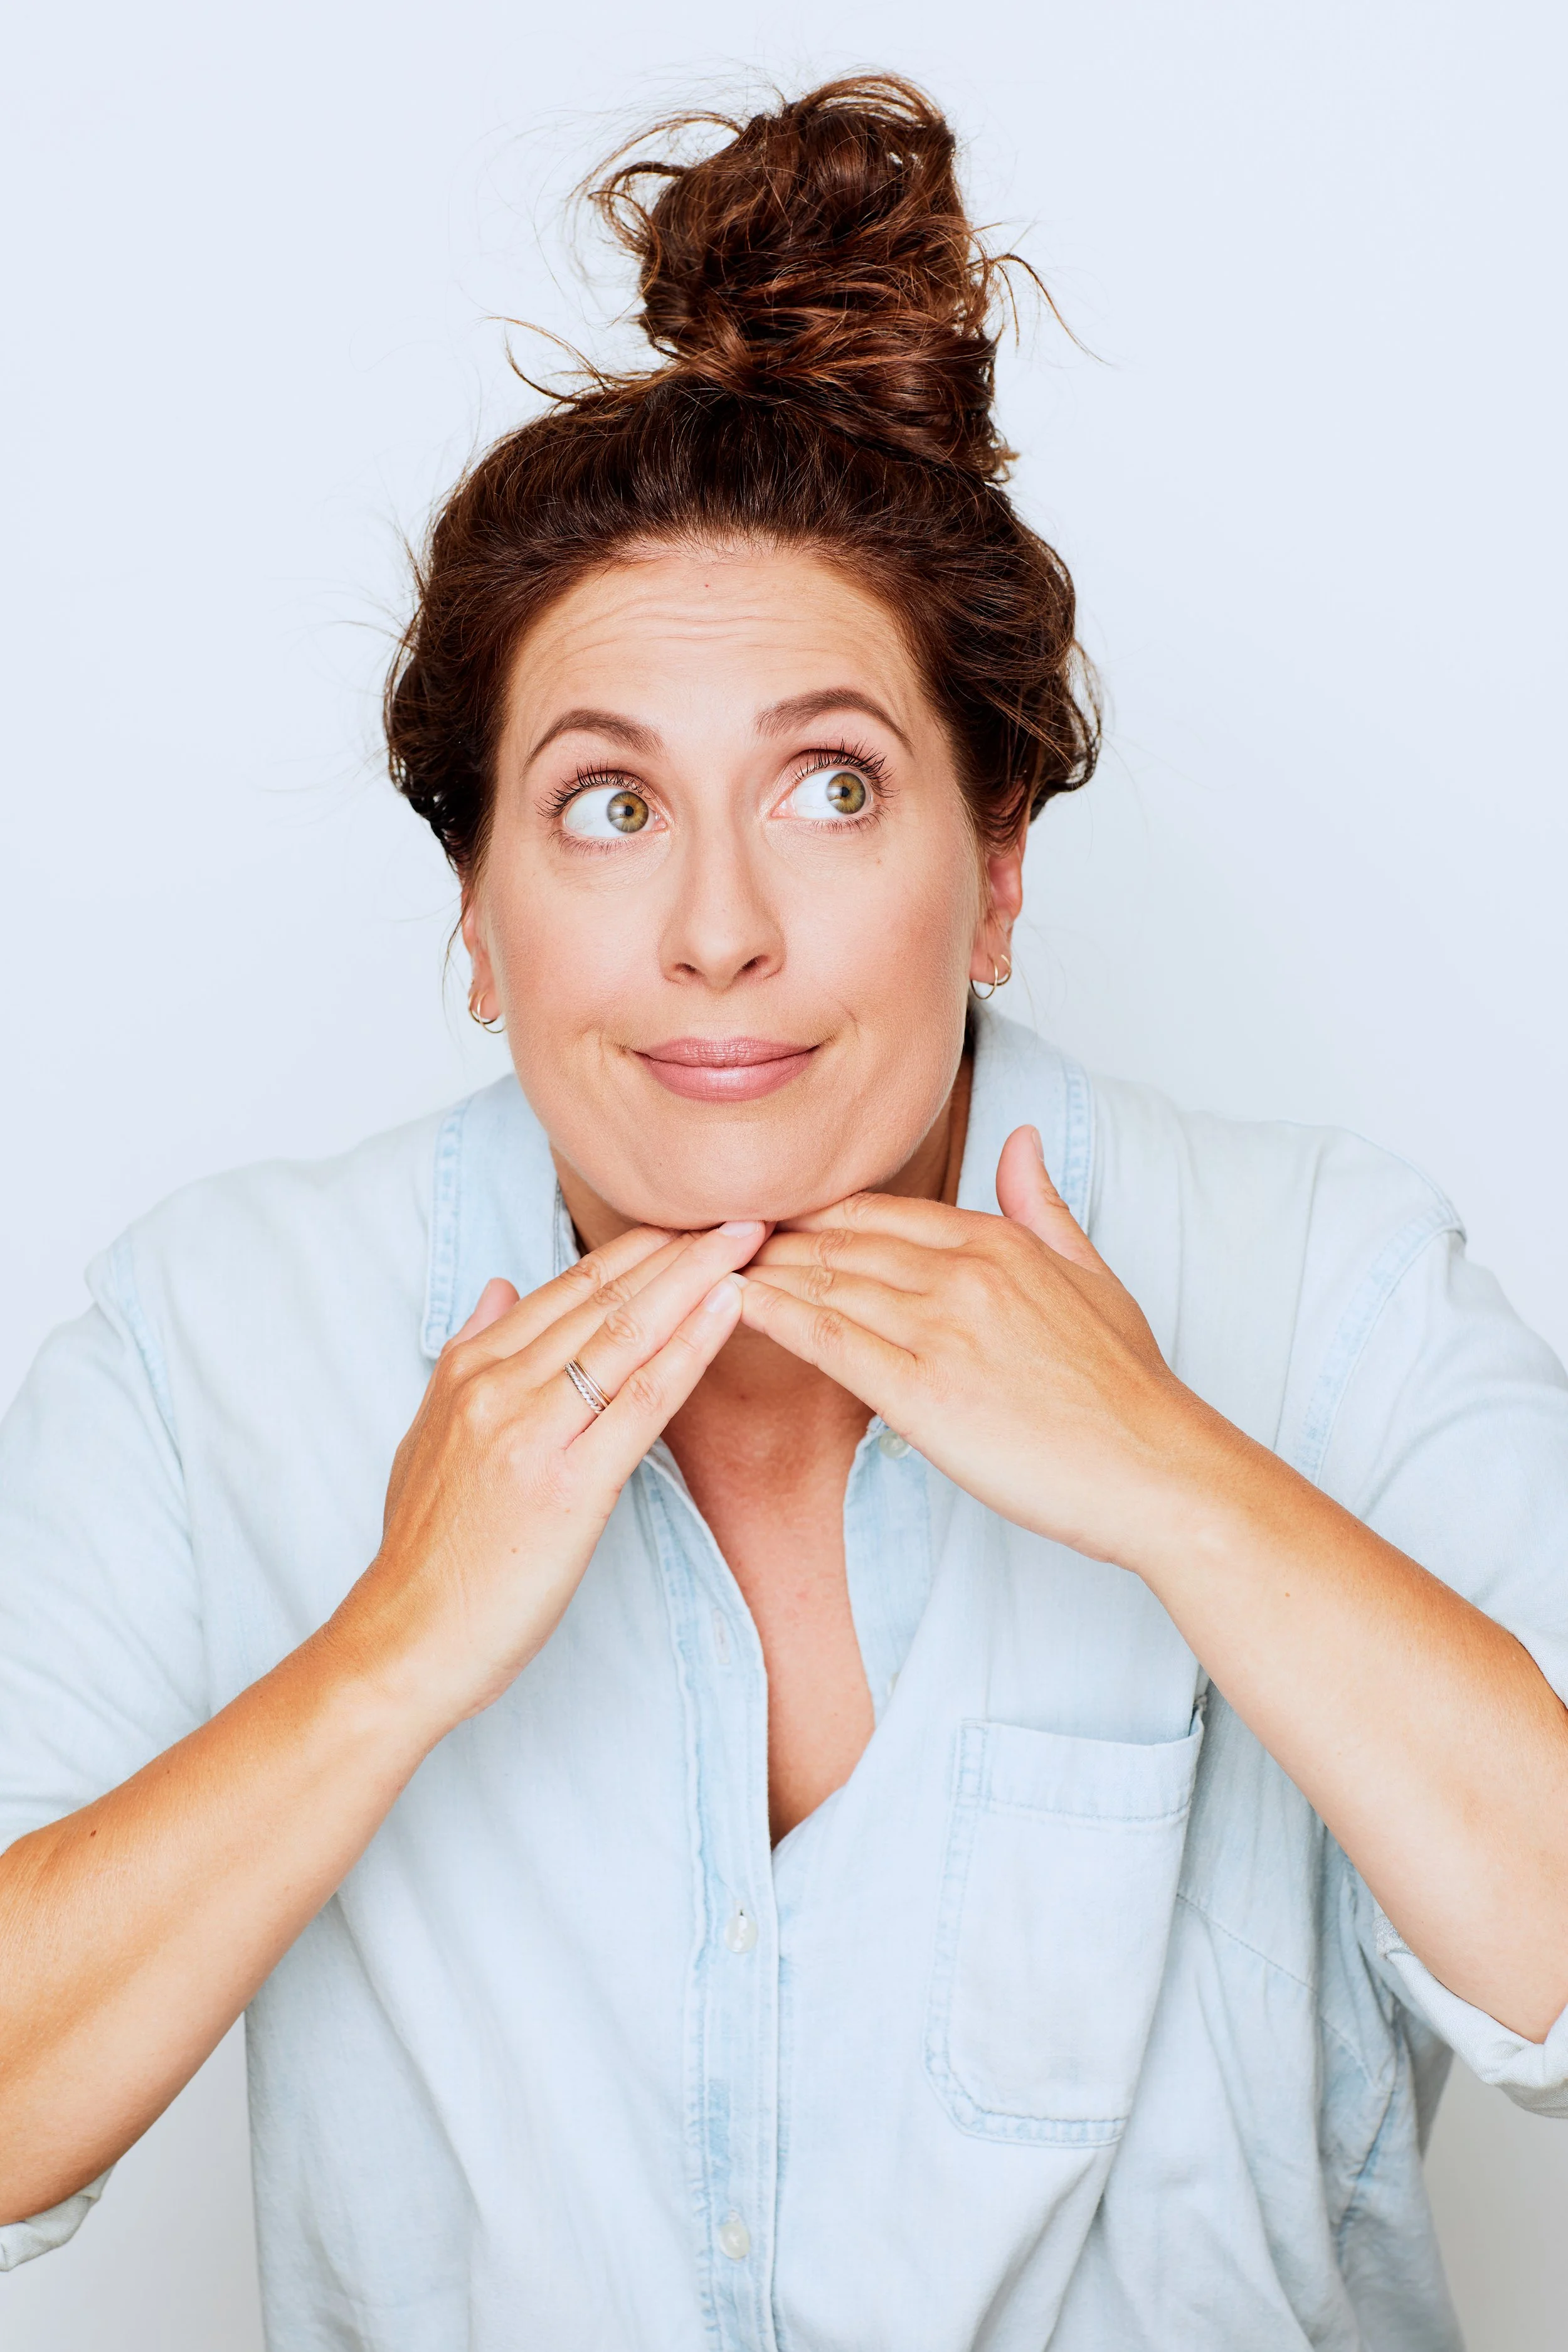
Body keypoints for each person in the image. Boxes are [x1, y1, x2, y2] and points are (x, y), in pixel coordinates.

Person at [1, 71, 1565, 2352]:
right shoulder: (207, 1332)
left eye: (829, 786)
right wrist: (391, 1652)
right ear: (475, 906)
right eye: (607, 803)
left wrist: (1177, 1485)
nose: (716, 929)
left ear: (997, 865)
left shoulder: (1321, 1273)